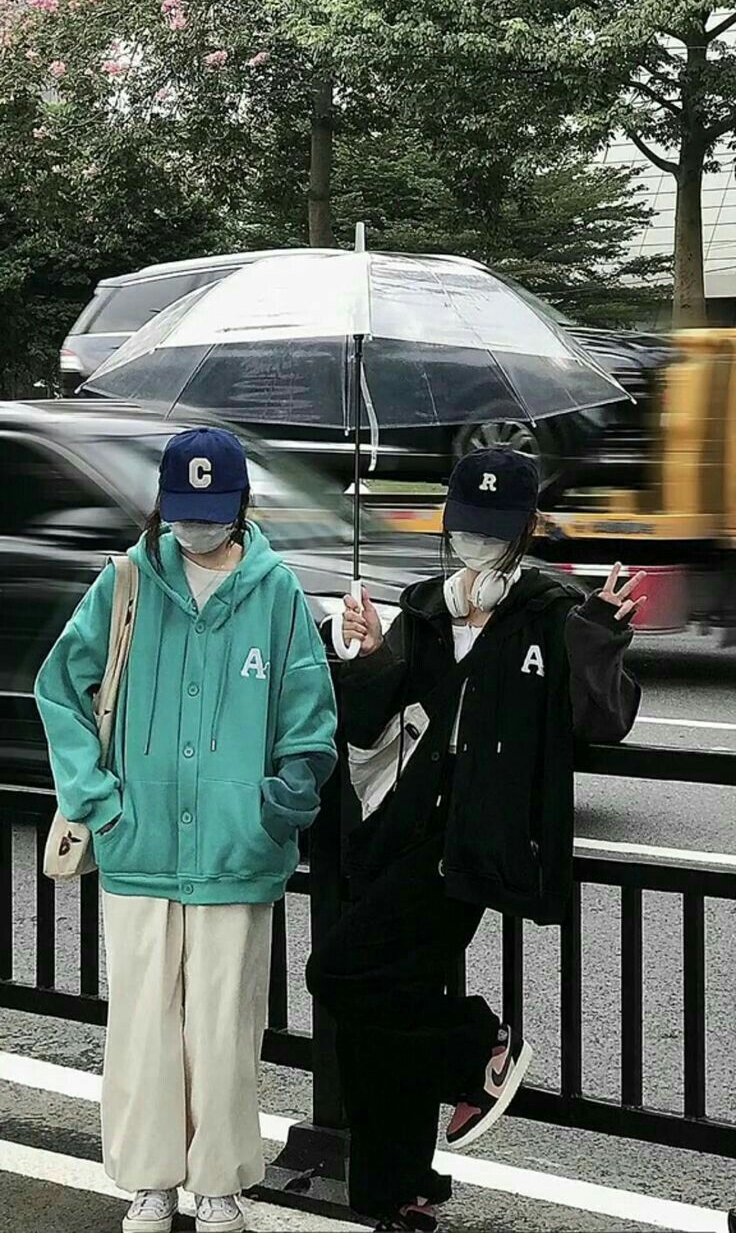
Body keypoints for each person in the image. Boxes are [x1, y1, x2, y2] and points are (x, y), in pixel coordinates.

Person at [307, 447, 643, 1232]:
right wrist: (366, 655)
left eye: (494, 528)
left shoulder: (553, 612)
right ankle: (398, 1191)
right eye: (466, 524)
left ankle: (477, 1050)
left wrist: (599, 637)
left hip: (475, 847)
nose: (476, 540)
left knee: (338, 974)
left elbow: (605, 721)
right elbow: (369, 721)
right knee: (383, 1008)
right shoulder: (423, 606)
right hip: (397, 831)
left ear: (527, 529)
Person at [35, 427, 337, 1233]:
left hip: (239, 851)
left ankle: (220, 1183)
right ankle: (151, 1181)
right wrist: (99, 799)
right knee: (142, 1023)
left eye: (211, 509)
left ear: (241, 505)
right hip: (140, 845)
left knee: (225, 1023)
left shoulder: (277, 595)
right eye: (183, 509)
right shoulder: (127, 583)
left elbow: (311, 723)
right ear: (163, 505)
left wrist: (277, 802)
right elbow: (60, 689)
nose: (196, 524)